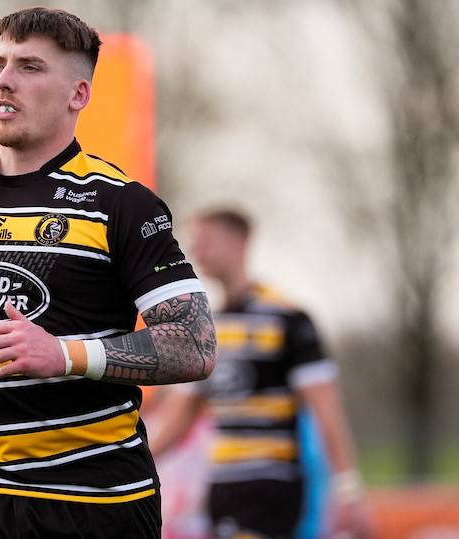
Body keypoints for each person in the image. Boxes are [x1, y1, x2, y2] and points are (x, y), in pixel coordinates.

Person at [0, 7, 217, 538]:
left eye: (29, 67)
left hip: (96, 506)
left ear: (79, 93)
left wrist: (65, 354)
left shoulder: (121, 204)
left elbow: (195, 344)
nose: (4, 80)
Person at [149, 209, 372, 539]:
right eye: (194, 242)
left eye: (206, 240)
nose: (197, 250)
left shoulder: (288, 319)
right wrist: (128, 467)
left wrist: (347, 488)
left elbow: (327, 408)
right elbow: (177, 418)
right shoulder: (206, 330)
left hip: (271, 484)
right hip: (222, 486)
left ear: (240, 242)